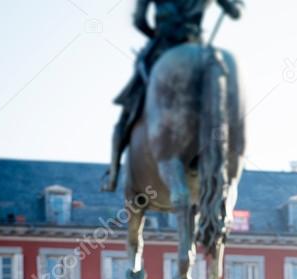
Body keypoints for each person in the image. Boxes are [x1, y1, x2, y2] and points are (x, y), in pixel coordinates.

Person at [102, 0, 244, 191]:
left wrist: (153, 35)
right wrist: (232, 6)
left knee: (127, 111)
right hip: (196, 43)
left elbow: (138, 20)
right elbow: (234, 13)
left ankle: (113, 173)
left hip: (162, 47)